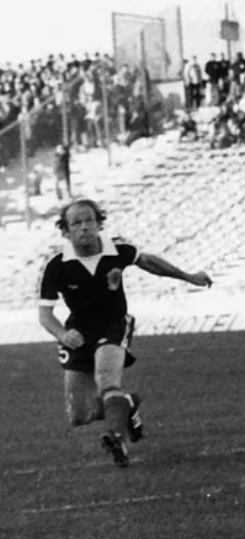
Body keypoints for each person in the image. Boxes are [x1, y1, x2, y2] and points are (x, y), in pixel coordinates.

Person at [37, 198, 213, 467]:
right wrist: (62, 334)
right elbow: (45, 315)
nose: (84, 227)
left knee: (107, 380)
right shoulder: (56, 264)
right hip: (78, 331)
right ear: (65, 231)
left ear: (99, 224)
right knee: (79, 415)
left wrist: (188, 277)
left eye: (89, 221)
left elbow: (150, 262)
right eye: (77, 223)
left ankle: (117, 438)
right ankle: (127, 404)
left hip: (114, 323)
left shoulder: (117, 249)